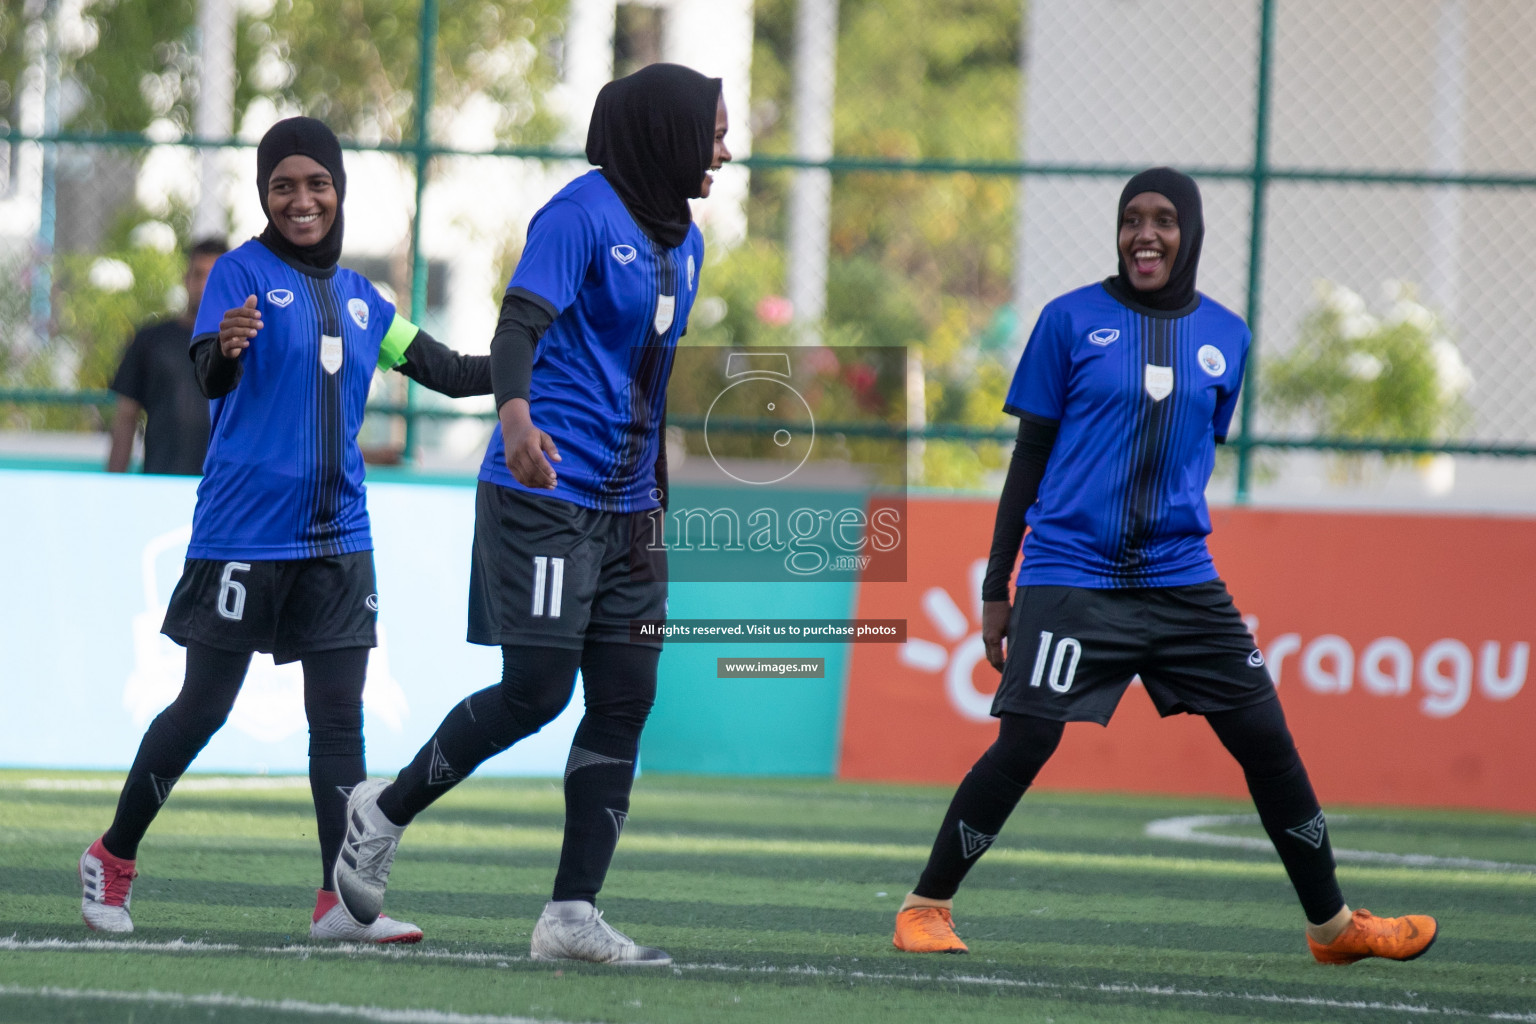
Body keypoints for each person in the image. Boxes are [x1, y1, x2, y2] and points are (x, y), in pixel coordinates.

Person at [891, 167, 1438, 966]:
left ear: (1191, 233)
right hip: (1072, 573)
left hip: (1181, 579)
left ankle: (1332, 926)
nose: (1145, 234)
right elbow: (1028, 461)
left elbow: (1192, 456)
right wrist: (996, 586)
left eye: (1164, 220)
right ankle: (924, 908)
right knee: (1028, 740)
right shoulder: (1069, 321)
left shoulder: (1228, 336)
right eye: (1131, 220)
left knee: (1266, 737)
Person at [332, 62, 731, 966]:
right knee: (538, 693)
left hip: (630, 509)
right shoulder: (578, 216)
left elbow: (652, 381)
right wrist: (514, 416)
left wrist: (658, 498)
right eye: (712, 132)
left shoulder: (687, 240)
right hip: (545, 489)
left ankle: (570, 915)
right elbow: (518, 328)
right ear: (664, 132)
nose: (724, 149)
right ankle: (382, 810)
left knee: (626, 697)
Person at [79, 116, 493, 944]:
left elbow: (449, 374)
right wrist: (227, 349)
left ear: (339, 192)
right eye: (283, 186)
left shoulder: (369, 302)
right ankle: (110, 857)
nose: (302, 200)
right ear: (265, 196)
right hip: (243, 535)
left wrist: (535, 357)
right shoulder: (239, 272)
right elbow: (211, 368)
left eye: (317, 184)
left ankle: (338, 903)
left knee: (340, 721)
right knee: (203, 706)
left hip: (339, 538)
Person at [105, 237, 229, 475]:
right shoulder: (151, 340)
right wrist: (113, 488)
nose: (204, 286)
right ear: (186, 279)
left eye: (213, 277)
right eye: (198, 274)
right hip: (161, 485)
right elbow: (125, 417)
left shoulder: (245, 345)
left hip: (222, 492)